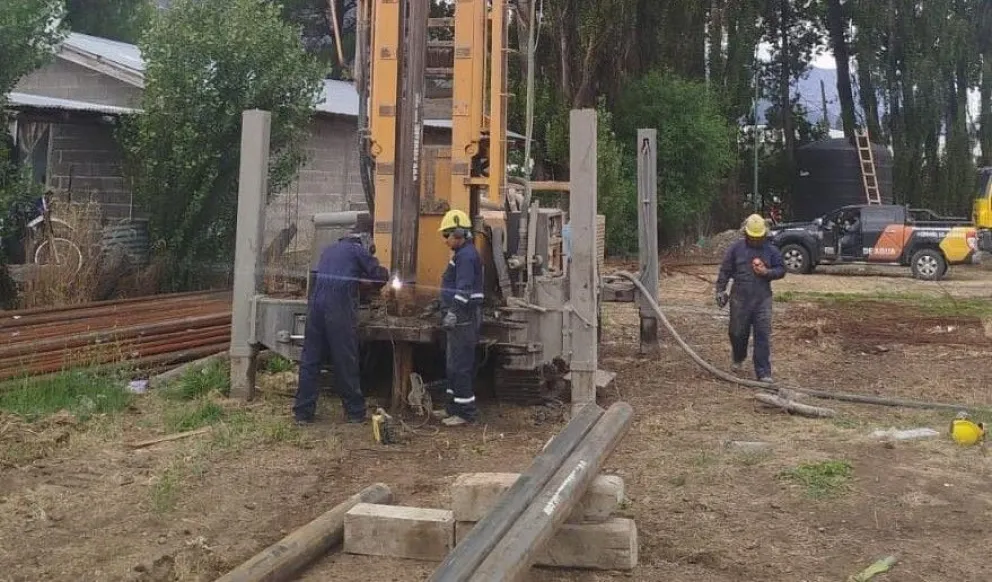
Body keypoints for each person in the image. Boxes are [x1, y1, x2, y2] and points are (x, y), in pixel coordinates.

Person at [293, 217, 388, 425]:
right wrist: (384, 274)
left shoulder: (329, 249)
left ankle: (302, 413)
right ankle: (355, 412)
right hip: (338, 310)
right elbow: (379, 277)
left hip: (316, 308)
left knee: (311, 361)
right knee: (345, 360)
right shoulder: (358, 251)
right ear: (365, 238)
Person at [714, 214, 786, 383]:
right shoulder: (735, 249)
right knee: (737, 332)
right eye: (752, 237)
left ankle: (763, 372)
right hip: (740, 298)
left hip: (762, 299)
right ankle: (738, 357)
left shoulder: (771, 250)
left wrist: (767, 272)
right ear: (745, 234)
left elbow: (781, 269)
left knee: (762, 334)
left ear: (764, 235)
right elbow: (725, 270)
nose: (755, 241)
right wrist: (720, 290)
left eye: (758, 237)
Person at [433, 209, 483, 426]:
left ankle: (466, 413)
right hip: (459, 319)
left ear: (459, 233)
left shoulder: (466, 257)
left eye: (447, 235)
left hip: (464, 319)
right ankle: (452, 407)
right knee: (452, 365)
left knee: (461, 366)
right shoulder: (462, 255)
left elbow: (464, 290)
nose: (444, 241)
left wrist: (452, 312)